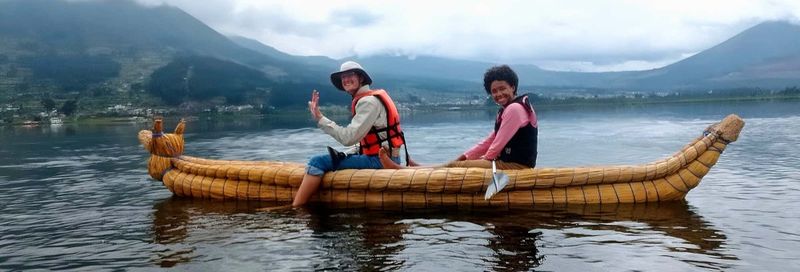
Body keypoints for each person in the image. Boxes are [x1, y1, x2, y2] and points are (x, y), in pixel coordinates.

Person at [292, 61, 409, 206]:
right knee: (335, 156)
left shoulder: (368, 102)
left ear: (360, 78)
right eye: (343, 77)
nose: (346, 79)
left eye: (350, 75)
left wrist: (320, 118)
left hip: (381, 161)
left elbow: (348, 138)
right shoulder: (371, 98)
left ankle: (296, 209)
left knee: (317, 162)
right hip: (388, 158)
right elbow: (364, 141)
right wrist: (347, 153)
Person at [380, 64, 537, 170]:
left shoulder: (514, 109)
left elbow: (496, 145)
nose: (498, 94)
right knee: (458, 162)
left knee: (457, 166)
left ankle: (405, 169)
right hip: (507, 163)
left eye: (502, 89)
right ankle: (418, 168)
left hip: (516, 166)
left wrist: (482, 160)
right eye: (494, 91)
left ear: (513, 87)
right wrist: (465, 156)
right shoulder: (508, 109)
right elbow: (490, 140)